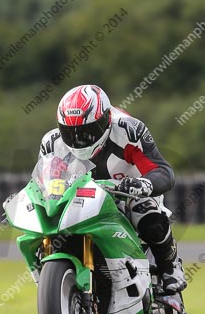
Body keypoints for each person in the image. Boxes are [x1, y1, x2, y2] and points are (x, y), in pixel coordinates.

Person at [39, 84, 187, 294]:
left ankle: (169, 265)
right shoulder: (52, 143)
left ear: (105, 120)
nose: (80, 139)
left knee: (147, 216)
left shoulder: (129, 131)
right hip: (80, 194)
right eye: (71, 133)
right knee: (48, 225)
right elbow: (45, 183)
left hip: (128, 188)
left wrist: (143, 184)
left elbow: (163, 171)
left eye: (88, 132)